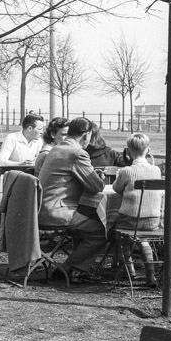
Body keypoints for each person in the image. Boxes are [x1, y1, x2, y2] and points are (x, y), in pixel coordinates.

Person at [38, 117, 105, 281]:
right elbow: (97, 187)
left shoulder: (56, 148)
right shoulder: (77, 153)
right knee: (102, 230)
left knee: (88, 219)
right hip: (58, 212)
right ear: (86, 135)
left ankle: (75, 269)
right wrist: (98, 177)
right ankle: (69, 268)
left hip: (41, 209)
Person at [112, 133, 162, 286]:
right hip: (152, 220)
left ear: (128, 151)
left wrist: (119, 174)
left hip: (130, 219)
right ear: (148, 150)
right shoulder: (156, 170)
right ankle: (151, 275)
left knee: (122, 237)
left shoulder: (126, 171)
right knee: (143, 239)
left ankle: (129, 270)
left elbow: (117, 189)